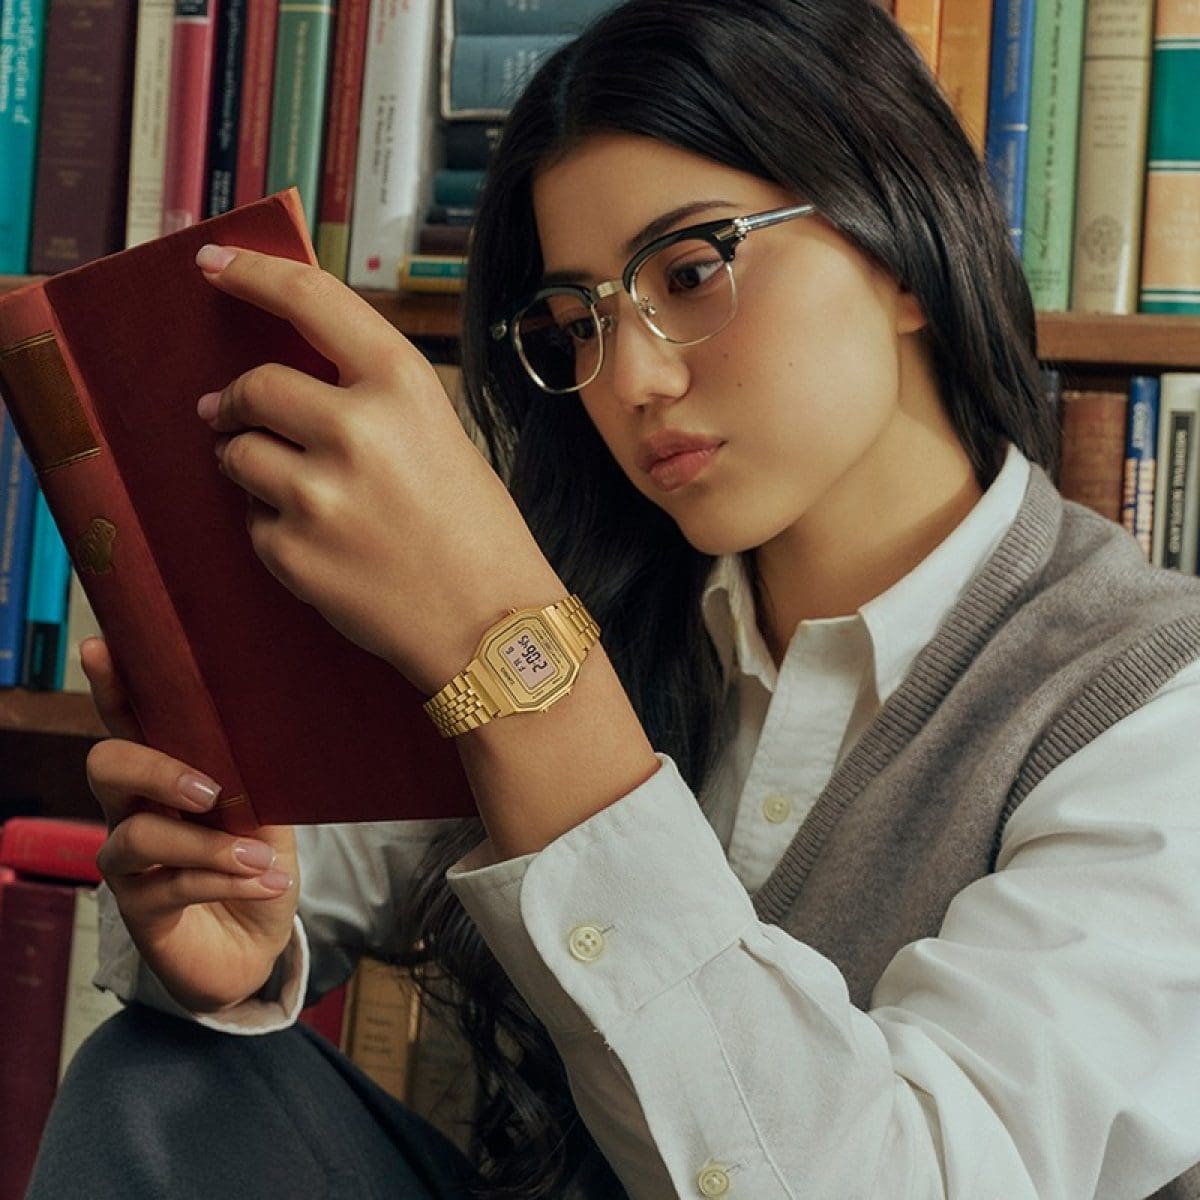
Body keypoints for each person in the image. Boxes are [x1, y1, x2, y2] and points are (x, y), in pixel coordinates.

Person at [27, 0, 1200, 1197]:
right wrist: (224, 908)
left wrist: (515, 658)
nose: (633, 377)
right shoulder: (614, 591)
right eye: (577, 320)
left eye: (693, 271)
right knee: (162, 1080)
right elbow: (293, 883)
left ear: (899, 249)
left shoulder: (1153, 705)